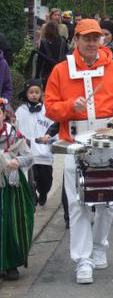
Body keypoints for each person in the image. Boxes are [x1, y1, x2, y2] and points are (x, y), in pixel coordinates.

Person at [44, 19, 113, 284]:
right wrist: (72, 106)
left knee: (107, 199)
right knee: (77, 201)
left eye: (95, 38)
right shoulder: (61, 70)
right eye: (86, 38)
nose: (92, 43)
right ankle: (82, 259)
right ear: (76, 40)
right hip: (74, 140)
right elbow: (50, 107)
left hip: (107, 137)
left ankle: (98, 246)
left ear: (101, 40)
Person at [0, 98, 34, 281]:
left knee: (12, 222)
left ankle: (11, 264)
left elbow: (29, 156)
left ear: (3, 114)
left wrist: (17, 161)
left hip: (11, 186)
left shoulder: (14, 135)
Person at [15, 79, 54, 206]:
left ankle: (43, 192)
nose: (34, 95)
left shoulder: (47, 110)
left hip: (44, 152)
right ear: (26, 94)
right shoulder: (21, 111)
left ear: (41, 94)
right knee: (30, 179)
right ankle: (33, 198)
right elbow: (16, 127)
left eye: (37, 92)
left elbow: (54, 127)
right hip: (29, 152)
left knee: (46, 181)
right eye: (31, 92)